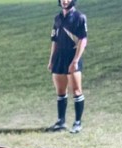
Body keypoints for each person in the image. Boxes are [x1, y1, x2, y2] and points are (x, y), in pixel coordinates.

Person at [47, 0, 87, 134]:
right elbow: (54, 41)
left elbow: (83, 40)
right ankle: (61, 121)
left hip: (72, 57)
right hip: (59, 58)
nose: (65, 1)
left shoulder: (79, 18)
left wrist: (76, 60)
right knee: (60, 92)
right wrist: (52, 59)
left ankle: (77, 123)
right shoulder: (57, 18)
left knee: (76, 91)